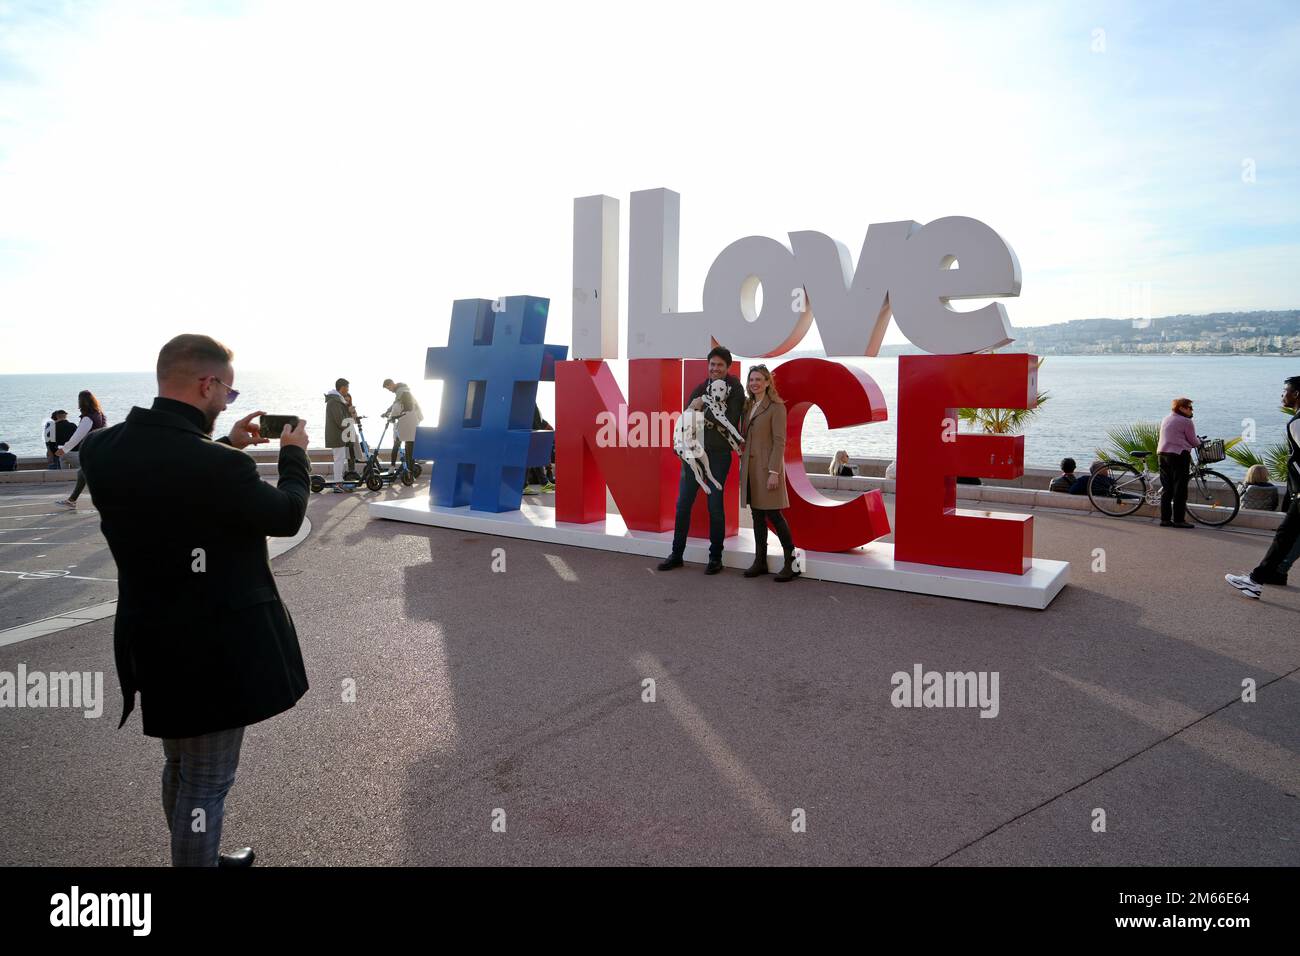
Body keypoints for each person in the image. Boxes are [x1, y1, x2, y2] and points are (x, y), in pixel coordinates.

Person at [78, 333, 311, 866]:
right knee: (206, 783)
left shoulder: (101, 450)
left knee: (182, 769)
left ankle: (200, 859)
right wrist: (294, 456)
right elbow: (285, 515)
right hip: (213, 646)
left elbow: (171, 485)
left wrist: (226, 445)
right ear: (208, 383)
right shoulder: (217, 467)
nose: (227, 402)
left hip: (150, 635)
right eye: (227, 394)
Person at [657, 346, 745, 574]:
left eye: (720, 366)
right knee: (682, 504)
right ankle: (677, 554)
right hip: (694, 452)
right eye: (712, 365)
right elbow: (688, 417)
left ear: (728, 368)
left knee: (714, 505)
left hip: (718, 455)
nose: (715, 369)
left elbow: (731, 419)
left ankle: (716, 558)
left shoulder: (735, 388)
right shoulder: (699, 387)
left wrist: (702, 407)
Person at [1225, 376, 1300, 598]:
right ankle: (1257, 579)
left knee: (1284, 536)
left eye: (1285, 390)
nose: (1282, 395)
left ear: (1296, 394)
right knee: (1285, 536)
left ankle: (1255, 581)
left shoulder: (1297, 422)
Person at [739, 365, 799, 582]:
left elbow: (780, 442)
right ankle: (760, 561)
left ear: (767, 382)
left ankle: (792, 564)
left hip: (767, 469)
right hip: (750, 468)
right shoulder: (749, 406)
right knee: (756, 515)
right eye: (751, 379)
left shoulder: (776, 407)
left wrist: (774, 472)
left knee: (774, 514)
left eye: (758, 379)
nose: (754, 383)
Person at [55, 390, 107, 508]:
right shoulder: (99, 414)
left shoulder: (88, 418)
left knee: (89, 475)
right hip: (100, 448)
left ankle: (73, 500)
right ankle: (72, 500)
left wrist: (64, 449)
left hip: (93, 450)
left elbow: (77, 436)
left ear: (82, 402)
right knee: (82, 473)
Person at [1157, 396, 1201, 528]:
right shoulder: (1186, 421)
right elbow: (1193, 441)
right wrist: (1200, 443)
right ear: (1181, 408)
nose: (1191, 410)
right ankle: (1179, 520)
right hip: (1178, 455)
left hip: (1163, 454)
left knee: (1167, 488)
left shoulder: (1167, 418)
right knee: (1180, 489)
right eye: (1189, 407)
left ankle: (1165, 519)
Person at [383, 378, 423, 471]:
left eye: (388, 388)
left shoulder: (401, 391)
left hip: (405, 423)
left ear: (391, 384)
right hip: (413, 422)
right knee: (409, 447)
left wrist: (388, 413)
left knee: (397, 444)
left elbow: (395, 406)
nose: (389, 391)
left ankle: (393, 467)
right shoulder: (404, 390)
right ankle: (409, 469)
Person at [324, 378, 353, 493]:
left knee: (340, 459)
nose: (348, 390)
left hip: (338, 435)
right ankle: (337, 484)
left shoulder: (336, 400)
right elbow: (340, 421)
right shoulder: (335, 402)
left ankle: (339, 483)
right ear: (342, 388)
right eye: (347, 388)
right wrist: (350, 421)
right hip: (337, 435)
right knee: (339, 460)